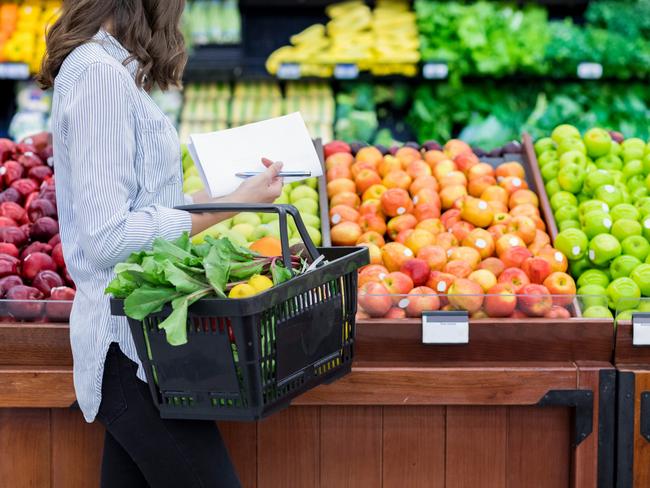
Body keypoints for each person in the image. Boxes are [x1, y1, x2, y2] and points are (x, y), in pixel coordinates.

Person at [37, 1, 283, 486]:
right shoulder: (98, 77)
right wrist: (227, 209)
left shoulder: (109, 70)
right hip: (128, 351)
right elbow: (108, 236)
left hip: (146, 346)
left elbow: (146, 205)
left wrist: (232, 195)